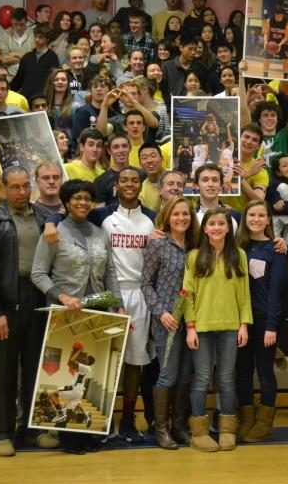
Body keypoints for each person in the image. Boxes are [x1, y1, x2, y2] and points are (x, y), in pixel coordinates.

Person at [30, 179, 119, 455]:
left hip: (97, 311)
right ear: (66, 203)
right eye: (76, 198)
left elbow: (111, 273)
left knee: (91, 374)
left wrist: (117, 307)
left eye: (86, 198)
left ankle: (90, 432)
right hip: (65, 314)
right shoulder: (54, 233)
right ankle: (68, 437)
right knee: (67, 378)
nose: (82, 203)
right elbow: (38, 273)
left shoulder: (99, 232)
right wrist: (62, 296)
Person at [0, 167, 58, 457]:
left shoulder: (45, 218)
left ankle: (33, 429)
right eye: (15, 187)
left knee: (37, 368)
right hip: (6, 303)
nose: (21, 193)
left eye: (25, 187)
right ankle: (0, 433)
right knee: (2, 372)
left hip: (37, 297)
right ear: (4, 188)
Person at [89, 168, 156, 444]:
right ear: (116, 185)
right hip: (105, 296)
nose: (130, 184)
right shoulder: (101, 216)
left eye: (135, 180)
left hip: (139, 294)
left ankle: (128, 420)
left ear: (141, 185)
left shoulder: (152, 218)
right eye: (124, 180)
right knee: (104, 360)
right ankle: (103, 420)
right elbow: (67, 217)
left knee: (134, 362)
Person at [182, 207, 251, 453]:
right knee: (201, 379)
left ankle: (227, 429)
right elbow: (186, 294)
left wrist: (244, 324)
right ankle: (199, 432)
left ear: (228, 228)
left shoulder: (239, 255)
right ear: (205, 228)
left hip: (231, 326)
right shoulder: (194, 256)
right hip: (201, 326)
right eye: (212, 224)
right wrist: (190, 327)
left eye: (221, 224)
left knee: (226, 379)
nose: (217, 228)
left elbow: (245, 294)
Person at [141, 196, 198, 450]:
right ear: (167, 217)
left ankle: (179, 425)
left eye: (185, 214)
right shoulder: (158, 244)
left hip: (193, 320)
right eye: (176, 214)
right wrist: (161, 312)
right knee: (168, 374)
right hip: (167, 320)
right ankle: (161, 429)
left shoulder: (198, 245)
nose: (181, 218)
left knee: (186, 375)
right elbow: (145, 283)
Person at [232, 201, 285, 443]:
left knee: (264, 371)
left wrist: (272, 325)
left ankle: (264, 423)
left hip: (264, 320)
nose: (256, 219)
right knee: (242, 371)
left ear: (268, 220)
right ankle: (246, 419)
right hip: (239, 320)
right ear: (245, 218)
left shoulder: (276, 249)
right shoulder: (234, 247)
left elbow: (276, 291)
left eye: (261, 215)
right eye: (251, 215)